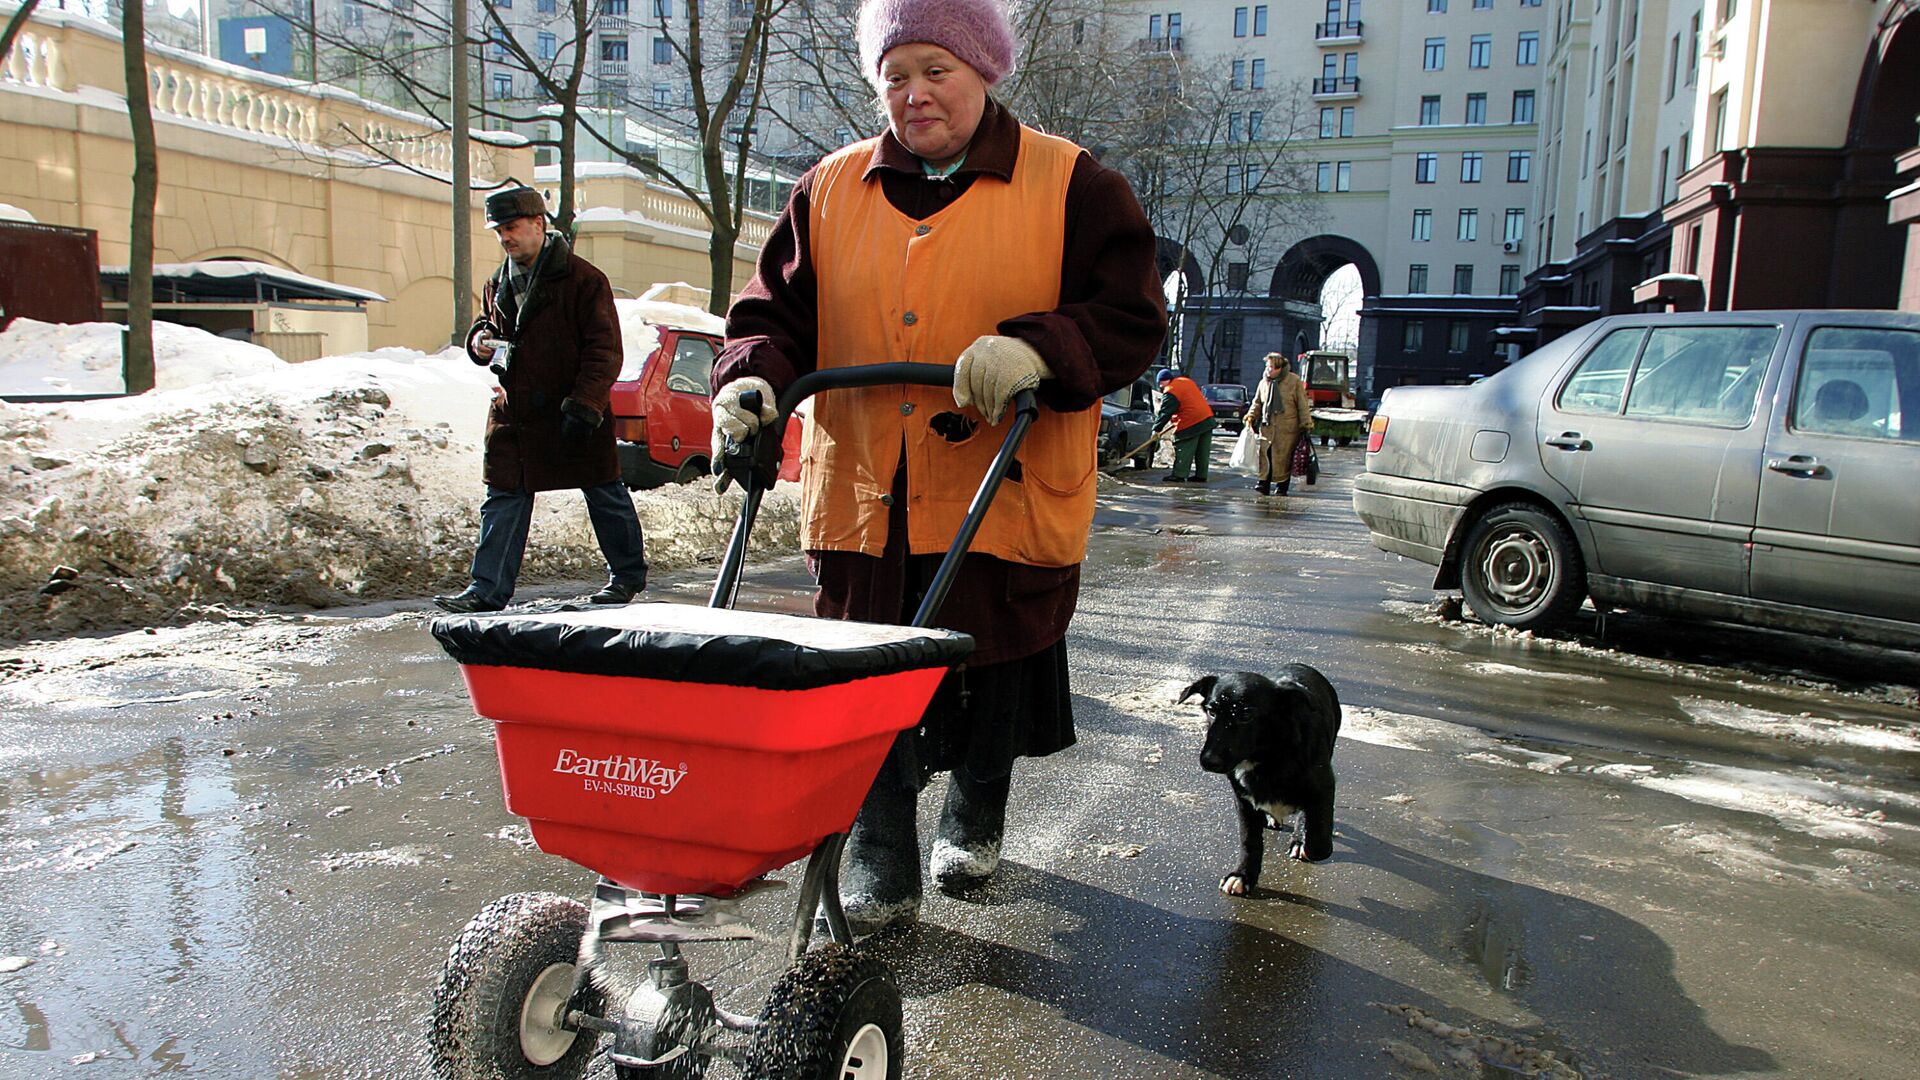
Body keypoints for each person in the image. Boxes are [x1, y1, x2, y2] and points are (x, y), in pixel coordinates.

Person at [710, 0, 1165, 933]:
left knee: (990, 665)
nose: (913, 95)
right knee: (865, 676)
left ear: (984, 69)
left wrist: (1045, 348)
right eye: (895, 75)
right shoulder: (828, 190)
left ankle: (976, 809)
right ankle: (884, 848)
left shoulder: (1072, 182)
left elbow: (1130, 314)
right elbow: (771, 318)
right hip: (871, 489)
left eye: (935, 71)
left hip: (1005, 484)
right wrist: (750, 381)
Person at [432, 186, 650, 614]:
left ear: (538, 224)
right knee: (503, 495)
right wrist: (478, 340)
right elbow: (486, 326)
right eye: (499, 231)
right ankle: (487, 589)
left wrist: (585, 405)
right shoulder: (498, 282)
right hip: (518, 413)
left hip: (572, 410)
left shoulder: (584, 280)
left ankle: (626, 578)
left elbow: (603, 351)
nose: (505, 238)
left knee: (604, 492)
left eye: (511, 228)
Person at [1244, 352, 1314, 495]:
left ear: (1279, 368)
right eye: (1267, 366)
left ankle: (1282, 486)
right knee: (1265, 455)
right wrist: (1251, 416)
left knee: (1284, 457)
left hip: (1287, 428)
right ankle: (1263, 482)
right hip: (1267, 427)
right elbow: (1257, 403)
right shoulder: (1263, 382)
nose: (1268, 370)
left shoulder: (1293, 381)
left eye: (1271, 367)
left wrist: (1306, 424)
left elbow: (1302, 404)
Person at [1154, 367, 1216, 483]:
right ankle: (1201, 475)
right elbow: (1187, 401)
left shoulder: (1171, 391)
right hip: (1207, 418)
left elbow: (1165, 412)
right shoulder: (1185, 381)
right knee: (1202, 450)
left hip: (1191, 421)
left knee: (1184, 447)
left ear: (1161, 382)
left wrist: (1156, 429)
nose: (1161, 387)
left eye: (1160, 384)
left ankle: (1179, 475)